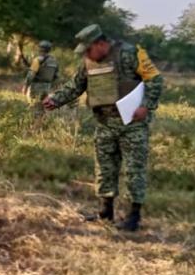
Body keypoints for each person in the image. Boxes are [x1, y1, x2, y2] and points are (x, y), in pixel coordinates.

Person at [43, 23, 164, 231]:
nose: (87, 54)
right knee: (104, 168)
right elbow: (76, 85)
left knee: (134, 169)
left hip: (132, 124)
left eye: (89, 49)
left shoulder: (130, 54)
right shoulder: (89, 62)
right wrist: (55, 99)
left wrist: (146, 106)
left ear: (100, 44)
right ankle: (105, 212)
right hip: (105, 122)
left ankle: (133, 216)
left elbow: (155, 79)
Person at [24, 40, 59, 112]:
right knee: (42, 107)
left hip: (36, 86)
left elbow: (31, 75)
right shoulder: (54, 61)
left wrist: (26, 86)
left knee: (33, 105)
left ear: (40, 48)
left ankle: (33, 121)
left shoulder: (37, 60)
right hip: (47, 86)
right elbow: (56, 76)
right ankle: (40, 121)